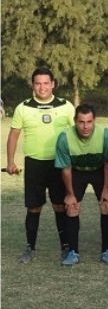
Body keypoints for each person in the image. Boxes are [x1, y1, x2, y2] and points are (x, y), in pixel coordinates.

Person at [7, 67, 75, 263]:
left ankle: (66, 246)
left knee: (60, 205)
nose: (42, 87)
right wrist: (10, 162)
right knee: (33, 207)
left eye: (46, 83)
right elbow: (13, 135)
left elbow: (76, 134)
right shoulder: (23, 107)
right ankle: (30, 247)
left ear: (53, 84)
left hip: (59, 164)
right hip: (34, 164)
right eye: (38, 83)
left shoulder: (66, 106)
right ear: (32, 85)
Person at [54, 104, 108, 266]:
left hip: (99, 171)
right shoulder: (64, 138)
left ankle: (106, 251)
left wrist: (107, 189)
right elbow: (66, 169)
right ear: (75, 121)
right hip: (76, 172)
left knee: (106, 205)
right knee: (72, 207)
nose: (85, 126)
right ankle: (73, 252)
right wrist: (69, 194)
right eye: (81, 122)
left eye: (89, 122)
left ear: (94, 120)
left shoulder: (105, 135)